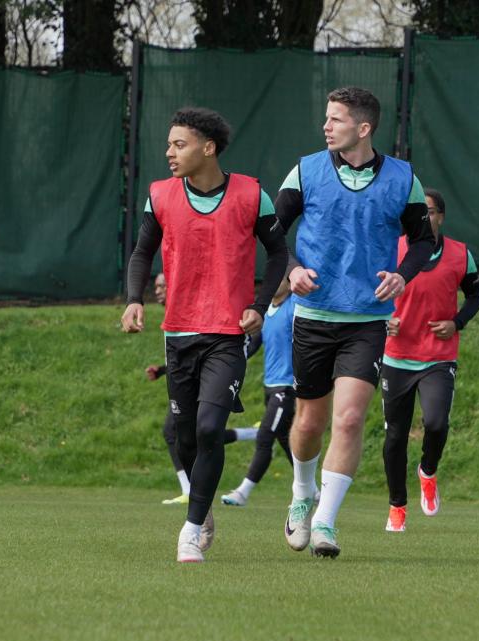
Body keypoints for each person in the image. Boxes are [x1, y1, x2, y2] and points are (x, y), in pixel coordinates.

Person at [122, 107, 288, 563]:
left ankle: (191, 529)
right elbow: (141, 252)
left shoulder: (252, 195)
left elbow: (278, 255)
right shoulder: (160, 196)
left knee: (211, 426)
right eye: (169, 144)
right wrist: (135, 298)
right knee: (187, 435)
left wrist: (258, 305)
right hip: (178, 332)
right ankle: (203, 506)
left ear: (208, 147)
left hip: (227, 334)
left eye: (179, 144)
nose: (169, 152)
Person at [275, 86, 435, 558]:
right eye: (326, 118)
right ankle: (303, 495)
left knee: (348, 420)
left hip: (367, 320)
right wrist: (292, 270)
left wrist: (403, 276)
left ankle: (325, 522)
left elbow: (423, 242)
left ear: (363, 128)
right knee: (309, 423)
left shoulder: (404, 178)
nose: (326, 126)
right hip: (313, 318)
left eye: (336, 119)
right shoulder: (305, 171)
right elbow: (271, 234)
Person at [381, 188, 479, 532]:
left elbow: (475, 295)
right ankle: (397, 506)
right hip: (397, 356)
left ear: (441, 217)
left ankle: (427, 470)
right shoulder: (391, 249)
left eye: (430, 211)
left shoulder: (459, 254)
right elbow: (369, 291)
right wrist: (384, 320)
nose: (425, 217)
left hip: (439, 357)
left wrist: (456, 322)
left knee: (437, 422)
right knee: (394, 436)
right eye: (417, 211)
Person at [143, 273, 258, 506]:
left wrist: (230, 366)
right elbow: (186, 355)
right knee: (192, 433)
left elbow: (207, 350)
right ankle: (249, 434)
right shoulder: (173, 313)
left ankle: (191, 491)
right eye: (156, 286)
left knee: (185, 430)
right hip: (183, 378)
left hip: (208, 378)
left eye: (163, 286)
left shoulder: (197, 307)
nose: (158, 291)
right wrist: (164, 370)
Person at [220, 275, 298, 507]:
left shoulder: (295, 305)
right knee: (287, 440)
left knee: (265, 436)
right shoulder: (267, 313)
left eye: (278, 280)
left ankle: (243, 492)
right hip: (270, 386)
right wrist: (231, 360)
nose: (272, 284)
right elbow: (253, 344)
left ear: (289, 282)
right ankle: (311, 490)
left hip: (287, 387)